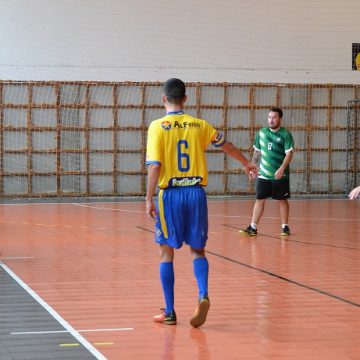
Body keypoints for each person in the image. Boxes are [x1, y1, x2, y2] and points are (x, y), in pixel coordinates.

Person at [145, 78, 257, 327]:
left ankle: (171, 312)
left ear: (164, 98)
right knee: (198, 249)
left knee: (166, 251)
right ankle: (203, 294)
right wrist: (246, 162)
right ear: (185, 99)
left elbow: (154, 166)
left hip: (170, 195)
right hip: (196, 193)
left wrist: (148, 197)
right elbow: (225, 145)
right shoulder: (200, 125)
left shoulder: (157, 127)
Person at [239, 107, 294, 236]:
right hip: (263, 174)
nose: (271, 120)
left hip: (280, 175)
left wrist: (282, 168)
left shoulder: (286, 134)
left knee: (282, 200)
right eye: (269, 117)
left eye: (274, 117)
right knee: (259, 199)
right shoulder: (262, 133)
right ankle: (253, 227)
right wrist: (252, 168)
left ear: (280, 119)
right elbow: (257, 151)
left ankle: (285, 227)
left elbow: (289, 153)